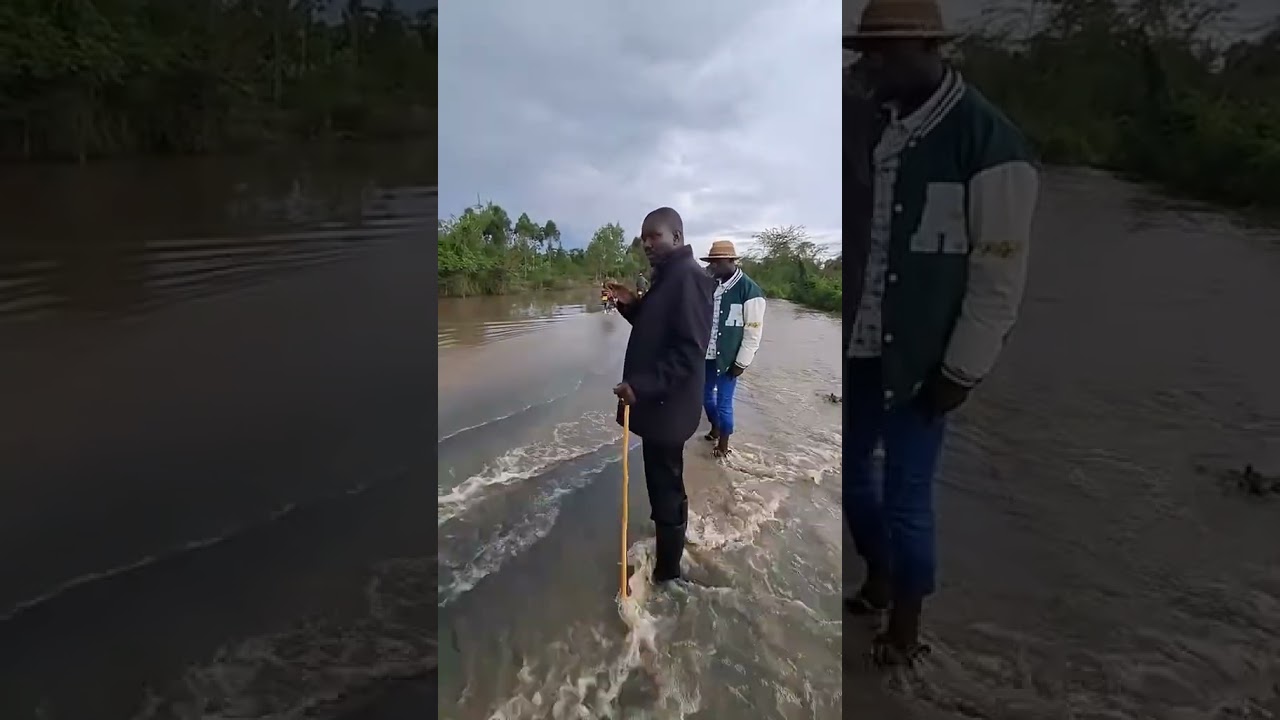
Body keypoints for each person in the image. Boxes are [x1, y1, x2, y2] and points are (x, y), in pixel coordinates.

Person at [843, 0, 1040, 667]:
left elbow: (998, 278)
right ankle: (880, 573)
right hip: (862, 346)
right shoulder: (877, 125)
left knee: (907, 495)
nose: (868, 64)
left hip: (925, 360)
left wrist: (960, 373)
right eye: (864, 52)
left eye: (882, 51)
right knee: (851, 479)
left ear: (930, 46)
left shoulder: (991, 145)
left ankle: (905, 628)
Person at [606, 207, 715, 584]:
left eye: (655, 236)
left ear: (677, 238)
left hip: (667, 408)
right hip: (662, 406)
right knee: (662, 478)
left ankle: (669, 573)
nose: (647, 243)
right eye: (644, 237)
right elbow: (658, 329)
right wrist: (629, 304)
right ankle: (669, 543)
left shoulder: (689, 278)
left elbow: (688, 352)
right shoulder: (669, 277)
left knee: (666, 484)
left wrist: (640, 387)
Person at [700, 240, 765, 458]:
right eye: (711, 263)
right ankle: (715, 428)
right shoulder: (711, 284)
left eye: (716, 263)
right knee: (704, 396)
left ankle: (724, 444)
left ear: (730, 261)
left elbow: (753, 332)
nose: (712, 267)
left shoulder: (750, 291)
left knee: (724, 403)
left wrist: (741, 363)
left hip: (728, 359)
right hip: (706, 354)